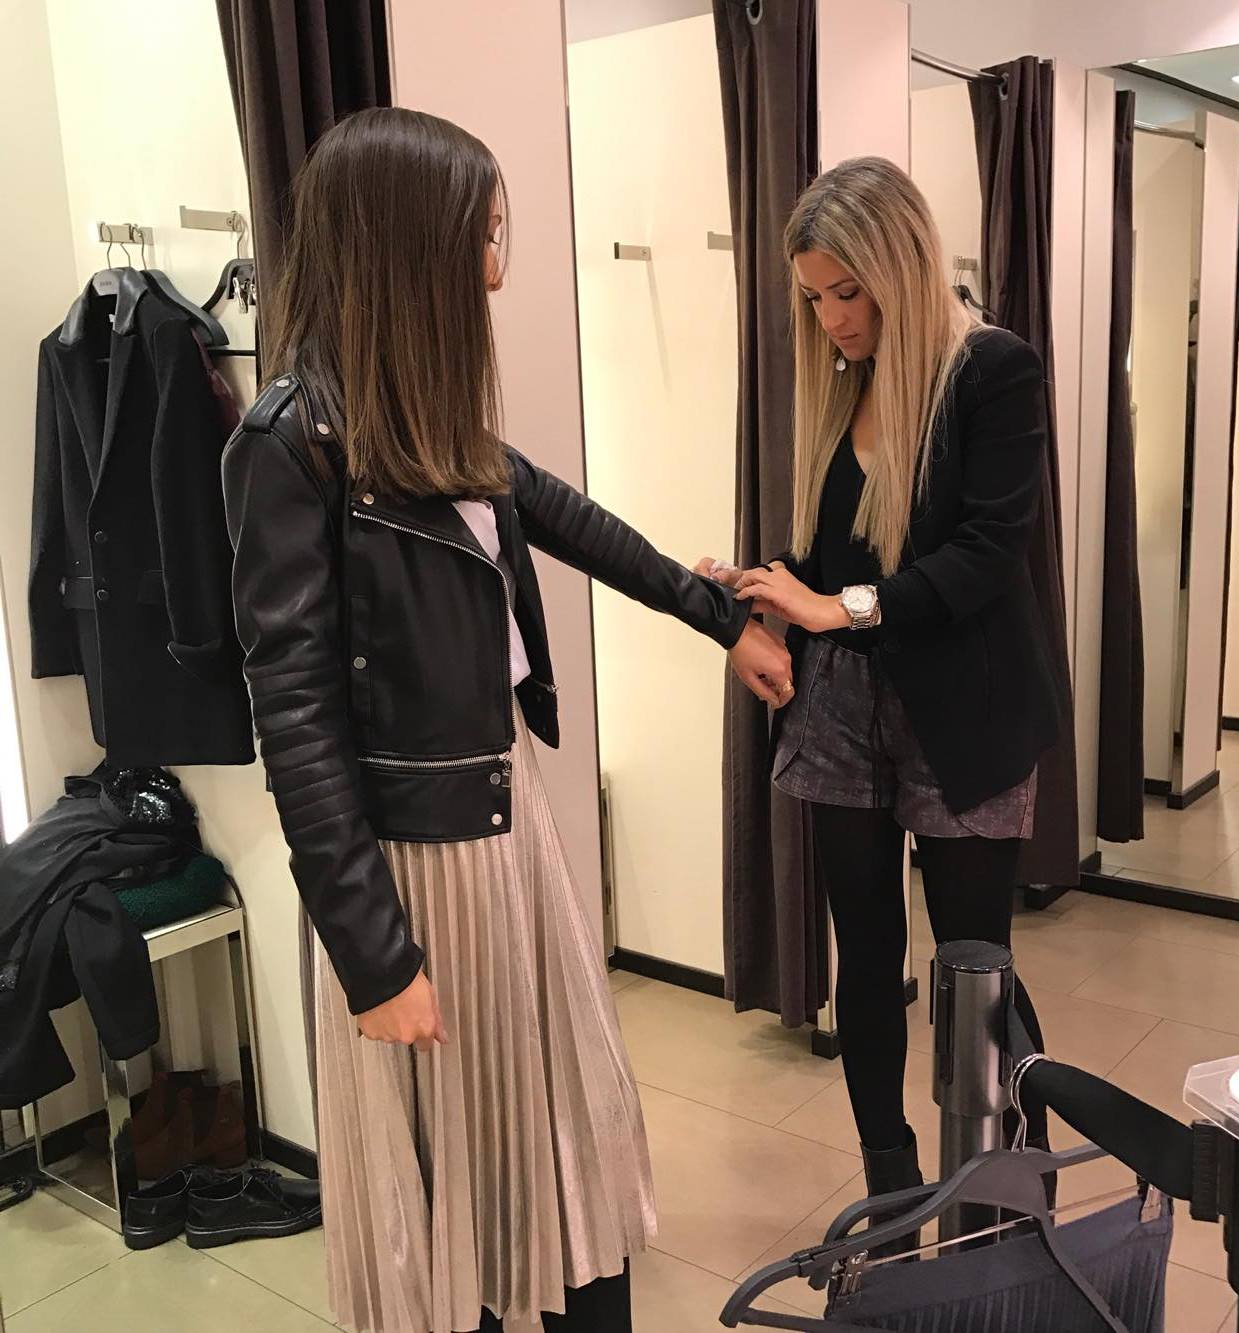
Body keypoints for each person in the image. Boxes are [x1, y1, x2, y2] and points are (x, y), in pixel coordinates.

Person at [222, 107, 791, 1333]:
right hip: (415, 868)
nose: (494, 268)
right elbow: (297, 722)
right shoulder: (293, 443)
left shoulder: (432, 427)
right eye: (482, 236)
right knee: (457, 1196)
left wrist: (721, 618)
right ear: (410, 249)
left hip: (506, 820)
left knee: (571, 1142)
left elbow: (581, 526)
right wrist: (375, 957)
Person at [698, 156, 1058, 1217]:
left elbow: (986, 555)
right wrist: (759, 597)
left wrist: (833, 610)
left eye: (847, 292)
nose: (832, 321)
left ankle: (1004, 1199)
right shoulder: (842, 387)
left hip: (966, 708)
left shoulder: (992, 371)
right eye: (814, 299)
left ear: (900, 266)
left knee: (974, 970)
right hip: (844, 710)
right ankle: (891, 1199)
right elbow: (824, 559)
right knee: (864, 958)